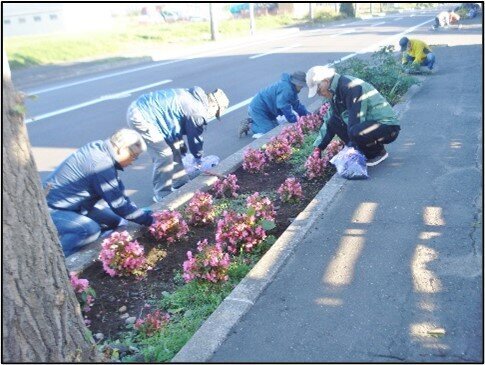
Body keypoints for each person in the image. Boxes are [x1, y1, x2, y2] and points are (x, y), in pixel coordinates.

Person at [44, 129, 153, 256]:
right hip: (53, 208)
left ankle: (81, 241)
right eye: (134, 156)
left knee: (114, 221)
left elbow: (117, 191)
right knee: (89, 230)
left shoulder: (102, 150)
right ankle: (60, 260)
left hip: (74, 205)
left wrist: (140, 214)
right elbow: (118, 204)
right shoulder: (101, 164)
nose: (133, 161)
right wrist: (151, 222)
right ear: (122, 148)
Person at [127, 87, 229, 202]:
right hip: (142, 116)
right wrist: (198, 158)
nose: (212, 116)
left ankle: (180, 183)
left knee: (175, 147)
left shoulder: (193, 98)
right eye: (216, 113)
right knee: (164, 155)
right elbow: (195, 140)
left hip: (147, 111)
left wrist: (182, 148)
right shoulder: (198, 112)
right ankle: (162, 194)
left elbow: (174, 120)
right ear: (214, 106)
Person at [306, 66, 400, 167]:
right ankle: (365, 150)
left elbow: (358, 119)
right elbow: (330, 120)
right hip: (370, 125)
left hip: (388, 127)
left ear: (325, 80)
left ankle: (377, 153)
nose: (319, 94)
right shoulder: (334, 90)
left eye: (319, 90)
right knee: (333, 121)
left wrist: (350, 150)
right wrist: (319, 147)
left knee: (355, 131)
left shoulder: (351, 87)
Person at [242, 71, 310, 139]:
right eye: (301, 85)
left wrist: (308, 115)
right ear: (296, 83)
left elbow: (297, 105)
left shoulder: (292, 89)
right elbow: (284, 107)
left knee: (275, 127)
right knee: (270, 131)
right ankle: (251, 125)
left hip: (268, 110)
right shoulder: (287, 89)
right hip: (258, 109)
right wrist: (294, 120)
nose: (302, 87)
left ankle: (255, 120)